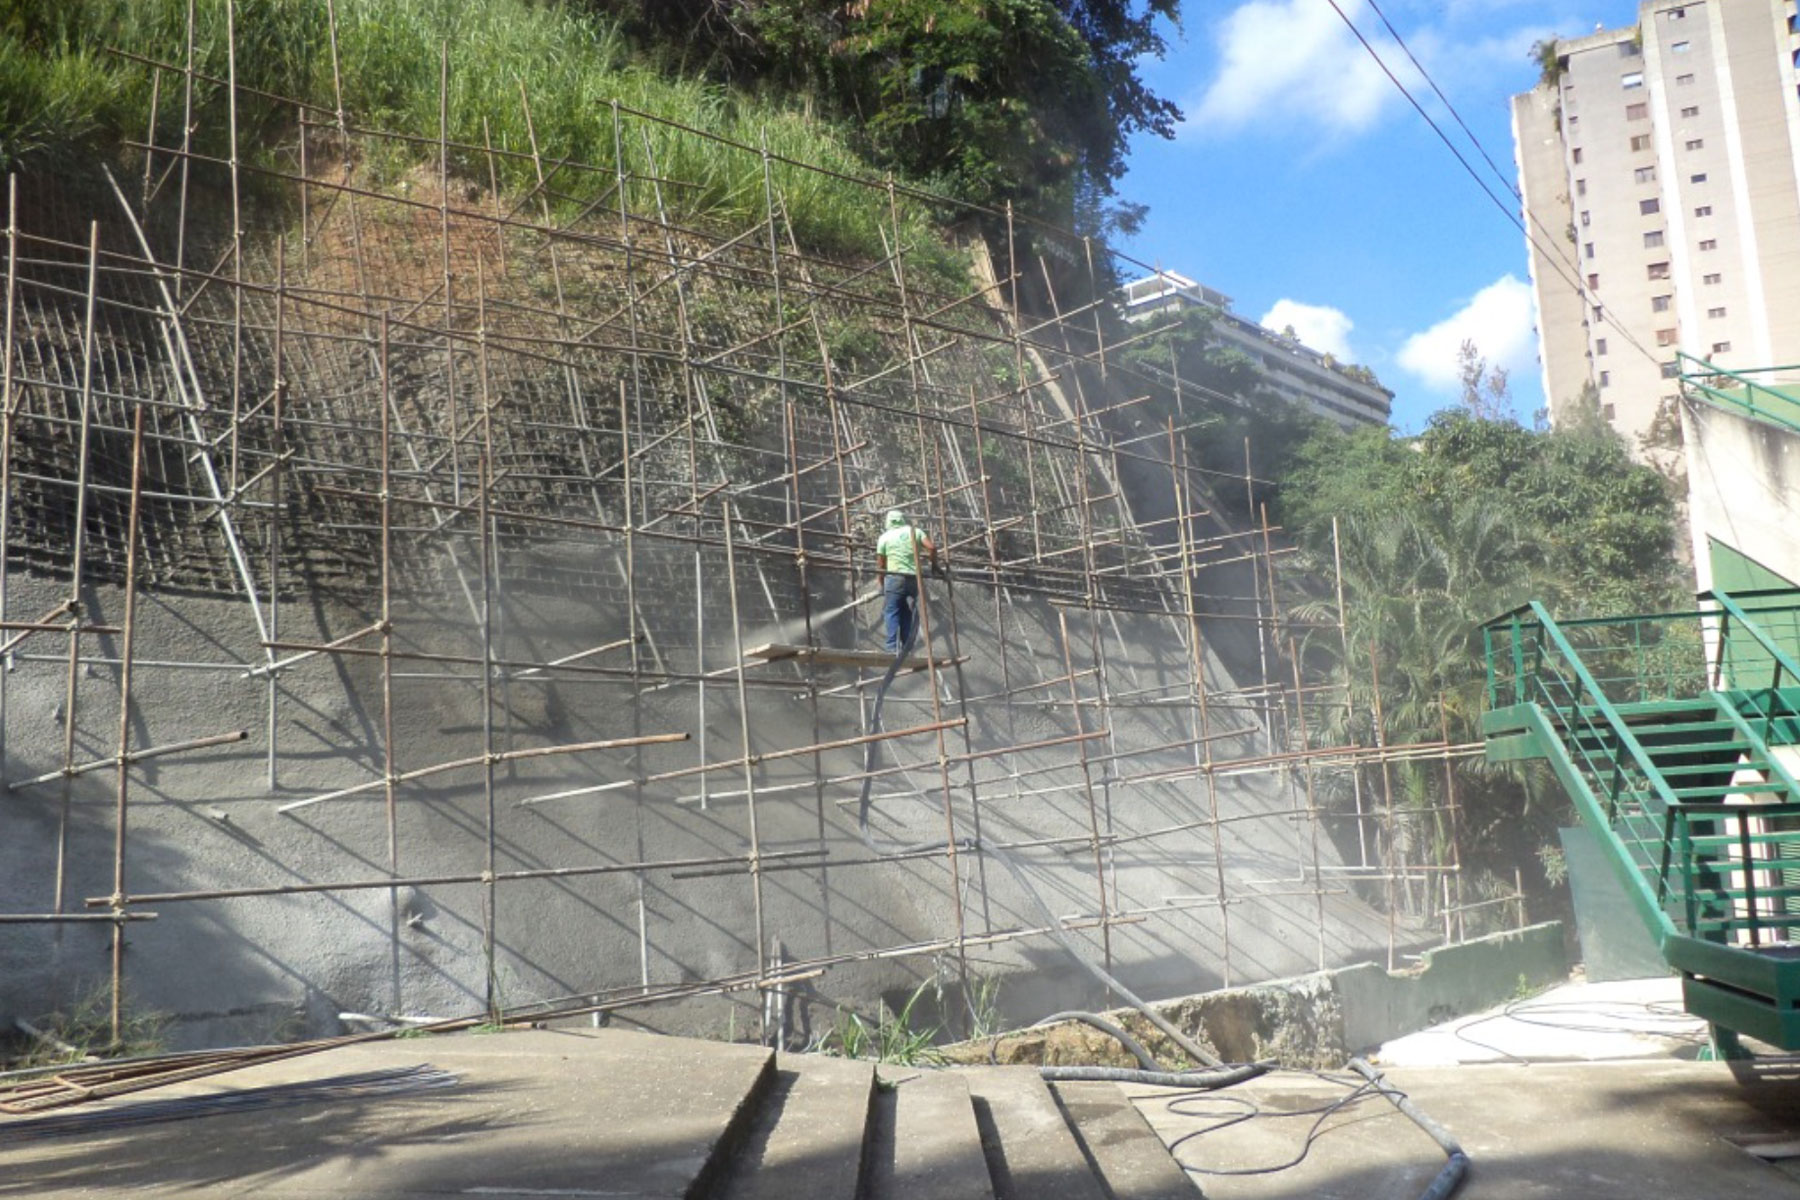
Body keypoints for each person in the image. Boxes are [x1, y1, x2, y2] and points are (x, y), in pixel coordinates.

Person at [875, 508, 940, 654]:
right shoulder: (915, 532)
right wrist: (934, 565)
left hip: (894, 577)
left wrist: (880, 581)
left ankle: (892, 648)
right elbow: (932, 547)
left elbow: (881, 565)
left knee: (891, 611)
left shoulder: (884, 537)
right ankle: (906, 648)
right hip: (913, 579)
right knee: (907, 612)